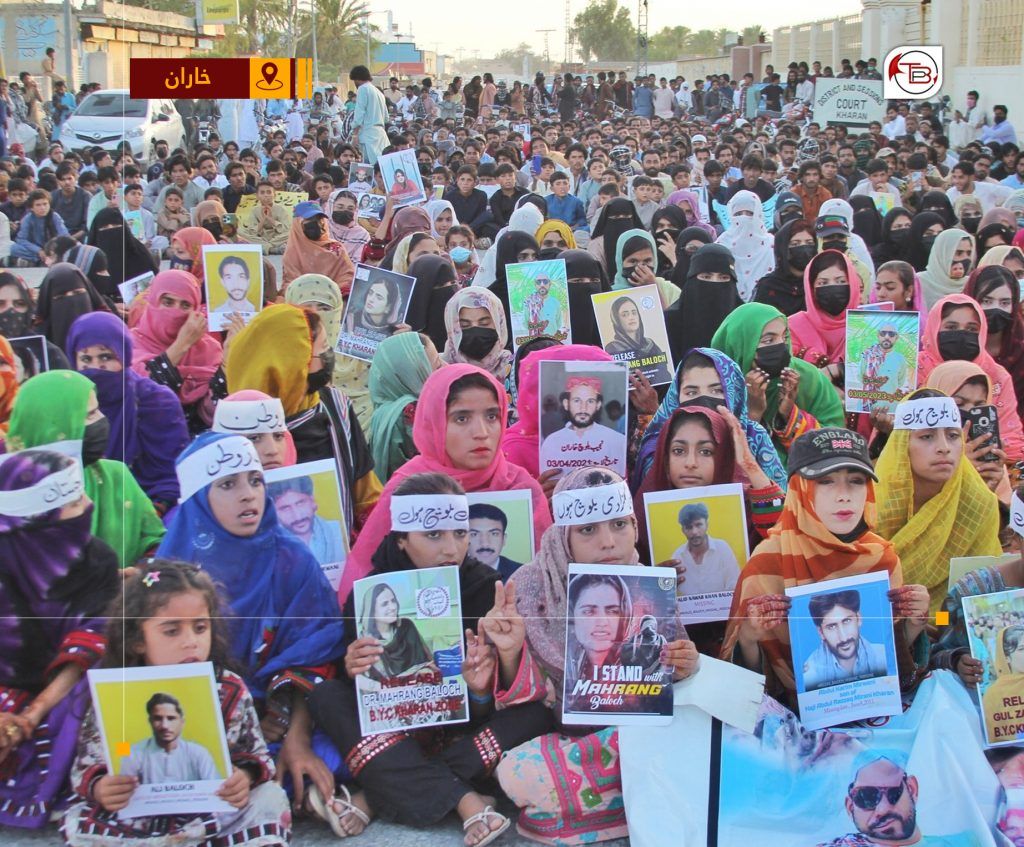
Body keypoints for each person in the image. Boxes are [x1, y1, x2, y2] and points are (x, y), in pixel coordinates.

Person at [307, 472, 552, 844]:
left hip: (464, 729)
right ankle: (465, 799)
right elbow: (364, 697)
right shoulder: (370, 595)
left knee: (538, 714)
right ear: (402, 540)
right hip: (397, 731)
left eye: (460, 532)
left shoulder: (487, 586)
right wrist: (353, 668)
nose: (451, 549)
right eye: (433, 535)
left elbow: (498, 699)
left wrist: (495, 670)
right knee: (327, 696)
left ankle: (377, 794)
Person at [495, 468, 699, 844]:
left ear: (636, 528)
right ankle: (649, 796)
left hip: (642, 735)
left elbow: (675, 681)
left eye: (620, 524)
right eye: (588, 530)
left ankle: (618, 795)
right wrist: (508, 652)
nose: (608, 542)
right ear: (563, 537)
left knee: (719, 734)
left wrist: (687, 663)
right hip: (566, 739)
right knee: (519, 771)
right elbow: (520, 705)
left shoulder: (646, 584)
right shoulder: (528, 587)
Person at [62, 560, 289, 845]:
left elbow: (255, 755)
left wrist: (243, 776)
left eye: (200, 628)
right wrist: (102, 787)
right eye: (172, 631)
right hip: (138, 818)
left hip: (213, 813)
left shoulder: (229, 688)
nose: (190, 642)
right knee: (80, 820)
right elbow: (92, 761)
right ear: (137, 641)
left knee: (270, 798)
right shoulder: (117, 692)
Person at [722, 427, 930, 709]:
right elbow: (737, 692)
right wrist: (748, 639)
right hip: (787, 724)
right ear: (799, 489)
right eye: (826, 481)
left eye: (856, 481)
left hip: (874, 716)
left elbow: (893, 662)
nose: (844, 495)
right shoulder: (765, 565)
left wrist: (917, 623)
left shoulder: (882, 559)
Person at [341, 364, 552, 604]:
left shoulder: (520, 486)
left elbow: (549, 587)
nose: (481, 432)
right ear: (435, 422)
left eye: (492, 416)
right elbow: (367, 583)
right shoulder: (408, 489)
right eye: (462, 418)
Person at [0, 449, 119, 829]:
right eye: (72, 502)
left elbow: (88, 642)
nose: (87, 506)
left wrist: (32, 713)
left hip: (65, 685)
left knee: (91, 693)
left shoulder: (97, 559)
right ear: (38, 520)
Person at [225, 304, 381, 538]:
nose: (330, 357)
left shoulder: (335, 407)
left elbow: (366, 493)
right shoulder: (235, 426)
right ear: (293, 363)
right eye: (323, 349)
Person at [6, 370, 166, 568]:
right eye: (90, 414)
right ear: (55, 427)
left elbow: (156, 541)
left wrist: (139, 577)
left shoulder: (115, 476)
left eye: (98, 409)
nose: (101, 419)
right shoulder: (10, 496)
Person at [874, 390, 1002, 614]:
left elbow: (984, 601)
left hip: (949, 628)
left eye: (953, 436)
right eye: (927, 436)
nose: (944, 447)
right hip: (879, 626)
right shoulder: (870, 506)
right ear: (903, 443)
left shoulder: (978, 504)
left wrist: (939, 630)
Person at [66, 312, 188, 511]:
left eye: (106, 356)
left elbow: (171, 477)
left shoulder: (156, 402)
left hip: (146, 508)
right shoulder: (68, 405)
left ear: (125, 356)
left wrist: (150, 513)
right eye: (86, 358)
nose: (96, 367)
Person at [634, 347, 789, 491]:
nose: (704, 399)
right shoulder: (660, 442)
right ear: (676, 397)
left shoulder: (753, 436)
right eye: (691, 392)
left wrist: (747, 464)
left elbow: (782, 508)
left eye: (716, 390)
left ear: (733, 393)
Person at [711, 302, 846, 458]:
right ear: (740, 346)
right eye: (768, 340)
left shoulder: (808, 377)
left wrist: (788, 416)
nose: (781, 347)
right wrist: (752, 414)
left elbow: (836, 442)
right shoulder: (713, 383)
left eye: (785, 337)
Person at [916, 293, 1024, 461]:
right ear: (934, 328)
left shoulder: (996, 376)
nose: (961, 335)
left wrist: (994, 457)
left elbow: (1011, 440)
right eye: (951, 328)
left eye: (971, 329)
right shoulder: (913, 370)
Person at [129, 270, 224, 435]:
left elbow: (215, 413)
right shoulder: (130, 344)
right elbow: (143, 396)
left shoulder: (210, 350)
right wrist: (182, 345)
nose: (176, 311)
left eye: (185, 305)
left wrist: (230, 358)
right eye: (168, 302)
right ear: (152, 302)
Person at [818, 751, 980, 847]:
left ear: (912, 789)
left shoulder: (967, 841)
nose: (882, 809)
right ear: (850, 807)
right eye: (866, 797)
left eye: (893, 793)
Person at [963, 264, 1024, 421]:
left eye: (1004, 303)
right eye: (986, 301)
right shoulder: (955, 346)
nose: (996, 309)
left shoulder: (1020, 349)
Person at [539, 373, 627, 475]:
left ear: (597, 405)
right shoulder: (551, 442)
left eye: (590, 401)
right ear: (566, 404)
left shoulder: (617, 440)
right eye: (577, 401)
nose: (583, 408)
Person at [121, 693, 219, 784]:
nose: (165, 726)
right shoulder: (132, 752)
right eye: (158, 719)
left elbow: (214, 790)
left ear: (182, 722)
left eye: (171, 718)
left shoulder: (199, 753)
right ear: (150, 721)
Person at [801, 589, 889, 691]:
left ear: (859, 618)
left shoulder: (884, 656)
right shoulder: (809, 675)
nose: (843, 638)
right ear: (821, 632)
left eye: (846, 621)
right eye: (831, 627)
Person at [266, 475, 345, 567]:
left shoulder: (338, 530)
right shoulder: (269, 545)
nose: (297, 516)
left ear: (312, 501)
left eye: (300, 503)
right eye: (285, 508)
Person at [439, 286, 513, 381]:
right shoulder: (436, 369)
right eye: (464, 325)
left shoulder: (512, 368)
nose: (475, 331)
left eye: (484, 324)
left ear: (499, 323)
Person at [715, 190, 775, 301]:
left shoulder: (771, 244)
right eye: (738, 214)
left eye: (750, 213)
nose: (744, 218)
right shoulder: (722, 244)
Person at [671, 502, 741, 595]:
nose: (694, 532)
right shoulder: (678, 556)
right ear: (683, 530)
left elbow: (735, 585)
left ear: (707, 525)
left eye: (699, 525)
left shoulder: (722, 548)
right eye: (689, 527)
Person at [603, 294, 672, 385]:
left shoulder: (650, 344)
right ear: (617, 320)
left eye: (634, 312)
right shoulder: (612, 349)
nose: (631, 317)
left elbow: (664, 375)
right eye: (625, 315)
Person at [918, 228, 976, 309]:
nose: (965, 258)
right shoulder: (919, 283)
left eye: (969, 253)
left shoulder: (972, 284)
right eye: (958, 253)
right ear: (943, 254)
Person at [468, 502, 523, 580]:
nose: (485, 544)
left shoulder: (523, 573)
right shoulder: (453, 574)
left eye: (494, 534)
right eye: (474, 534)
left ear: (503, 539)